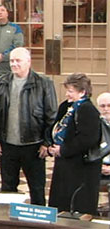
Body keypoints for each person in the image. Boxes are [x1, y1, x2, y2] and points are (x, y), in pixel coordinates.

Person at [0, 47, 57, 205]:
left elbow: (51, 116)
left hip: (34, 145)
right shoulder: (1, 82)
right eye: (11, 60)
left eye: (18, 60)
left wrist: (47, 142)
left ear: (28, 62)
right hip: (7, 145)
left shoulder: (44, 84)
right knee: (7, 188)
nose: (14, 64)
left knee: (37, 188)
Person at [48, 73, 101, 215]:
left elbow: (88, 139)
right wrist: (51, 145)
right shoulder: (66, 107)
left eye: (71, 91)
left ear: (82, 92)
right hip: (64, 164)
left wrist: (63, 150)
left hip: (80, 168)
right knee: (59, 204)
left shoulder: (87, 110)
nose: (67, 94)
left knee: (75, 207)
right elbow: (55, 126)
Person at [96, 93, 110, 182]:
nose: (106, 109)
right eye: (102, 106)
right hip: (97, 166)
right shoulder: (93, 125)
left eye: (109, 106)